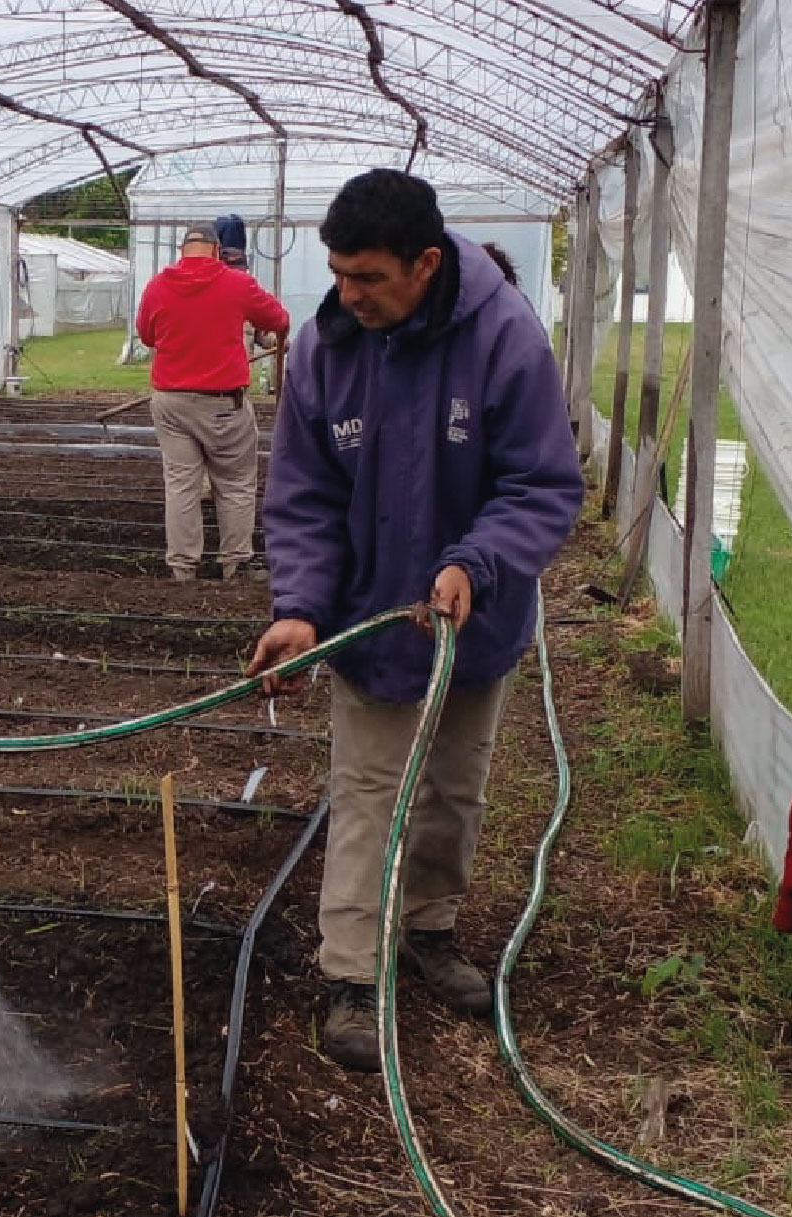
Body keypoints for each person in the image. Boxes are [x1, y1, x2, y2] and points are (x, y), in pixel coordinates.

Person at [244, 169, 584, 1073]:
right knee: (369, 789)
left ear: (425, 263)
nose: (345, 294)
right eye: (338, 273)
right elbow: (305, 493)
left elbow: (542, 483)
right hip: (369, 617)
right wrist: (303, 609)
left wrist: (474, 560)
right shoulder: (328, 344)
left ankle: (429, 927)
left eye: (367, 277)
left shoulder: (506, 336)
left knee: (454, 784)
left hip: (473, 618)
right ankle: (353, 972)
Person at [135, 224, 291, 581]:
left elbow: (147, 336)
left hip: (170, 402)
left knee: (181, 484)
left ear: (182, 250)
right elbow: (279, 319)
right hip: (222, 403)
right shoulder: (236, 284)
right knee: (234, 483)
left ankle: (182, 567)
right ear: (218, 251)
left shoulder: (158, 285)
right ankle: (235, 563)